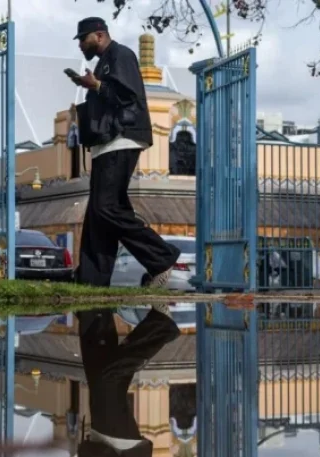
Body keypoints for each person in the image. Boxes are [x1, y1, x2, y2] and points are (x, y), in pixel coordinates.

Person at [68, 17, 181, 288]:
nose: (81, 45)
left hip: (122, 139)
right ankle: (91, 280)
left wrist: (96, 85)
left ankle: (161, 258)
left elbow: (127, 97)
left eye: (83, 39)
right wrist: (92, 86)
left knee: (106, 208)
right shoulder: (105, 61)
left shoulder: (121, 55)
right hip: (106, 144)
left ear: (99, 35)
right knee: (99, 213)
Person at [75, 306, 181, 457]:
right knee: (108, 379)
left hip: (101, 439)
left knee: (99, 366)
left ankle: (94, 310)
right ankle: (161, 326)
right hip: (119, 446)